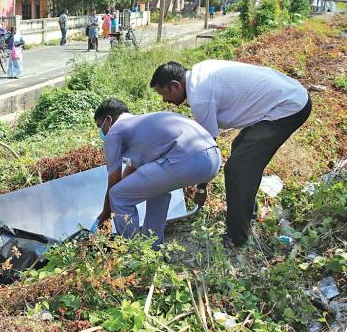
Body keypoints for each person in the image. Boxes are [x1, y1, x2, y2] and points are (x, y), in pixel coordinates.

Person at [150, 60, 313, 249]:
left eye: (165, 94)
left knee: (238, 169)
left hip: (288, 107)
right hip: (287, 93)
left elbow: (207, 149)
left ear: (176, 85)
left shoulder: (200, 97)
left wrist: (201, 188)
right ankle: (248, 210)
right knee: (240, 148)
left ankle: (237, 236)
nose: (165, 101)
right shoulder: (199, 73)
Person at [90, 98, 220, 249]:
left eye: (100, 126)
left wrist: (105, 213)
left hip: (187, 160)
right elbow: (131, 172)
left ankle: (133, 252)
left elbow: (114, 182)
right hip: (213, 159)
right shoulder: (142, 125)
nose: (101, 132)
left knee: (118, 196)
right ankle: (152, 248)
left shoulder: (114, 132)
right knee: (157, 193)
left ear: (108, 120)